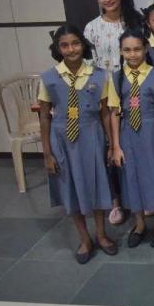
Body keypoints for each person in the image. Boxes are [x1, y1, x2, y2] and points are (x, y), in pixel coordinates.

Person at [39, 25, 117, 263]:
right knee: (71, 187)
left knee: (96, 185)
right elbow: (44, 116)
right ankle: (84, 239)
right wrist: (47, 153)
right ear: (58, 49)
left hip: (91, 136)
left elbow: (105, 112)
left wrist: (112, 144)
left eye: (75, 43)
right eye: (64, 45)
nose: (71, 49)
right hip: (62, 139)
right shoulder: (49, 78)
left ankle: (102, 235)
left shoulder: (100, 75)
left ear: (83, 45)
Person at [84, 0, 142, 226]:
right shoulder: (91, 28)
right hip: (105, 95)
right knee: (110, 146)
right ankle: (116, 201)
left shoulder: (134, 21)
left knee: (133, 144)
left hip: (132, 88)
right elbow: (88, 64)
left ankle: (138, 196)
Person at [109, 28, 154, 248]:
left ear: (145, 49)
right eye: (127, 50)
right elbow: (114, 112)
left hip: (152, 130)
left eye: (137, 49)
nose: (133, 54)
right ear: (121, 51)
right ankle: (138, 224)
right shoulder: (116, 77)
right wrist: (116, 145)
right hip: (128, 133)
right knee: (131, 177)